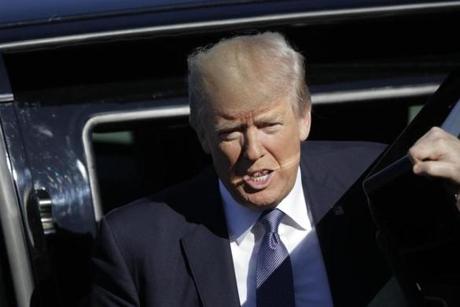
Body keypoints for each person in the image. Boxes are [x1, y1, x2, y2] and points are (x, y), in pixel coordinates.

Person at [89, 32, 460, 307]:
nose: (253, 151)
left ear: (304, 119)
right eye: (230, 132)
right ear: (202, 135)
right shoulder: (138, 245)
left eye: (269, 126)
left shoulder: (373, 182)